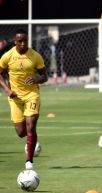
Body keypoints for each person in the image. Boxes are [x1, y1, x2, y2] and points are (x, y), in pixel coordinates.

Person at [0, 29, 48, 170]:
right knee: (21, 132)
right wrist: (7, 90)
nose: (22, 44)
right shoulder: (7, 56)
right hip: (15, 97)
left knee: (31, 124)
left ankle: (29, 162)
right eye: (19, 41)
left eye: (25, 41)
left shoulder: (35, 56)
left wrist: (35, 78)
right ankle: (32, 139)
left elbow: (44, 76)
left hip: (32, 95)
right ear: (15, 41)